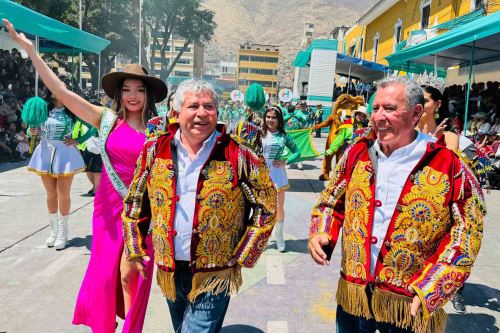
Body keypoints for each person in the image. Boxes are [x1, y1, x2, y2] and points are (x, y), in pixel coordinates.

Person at [2, 18, 168, 333]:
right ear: (120, 93)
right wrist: (29, 50)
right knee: (106, 278)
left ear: (149, 95)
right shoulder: (104, 119)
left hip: (142, 213)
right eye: (127, 89)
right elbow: (60, 90)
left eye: (140, 89)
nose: (133, 95)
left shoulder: (159, 131)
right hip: (106, 211)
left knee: (129, 275)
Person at [308, 76, 485, 333]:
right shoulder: (357, 153)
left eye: (390, 109)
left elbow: (468, 232)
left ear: (415, 113)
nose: (378, 117)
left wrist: (435, 286)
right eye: (375, 108)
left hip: (411, 303)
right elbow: (329, 203)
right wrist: (321, 232)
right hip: (355, 295)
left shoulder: (449, 165)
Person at [122, 79, 277, 333]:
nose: (202, 113)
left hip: (215, 273)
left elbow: (266, 206)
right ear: (176, 112)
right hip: (170, 269)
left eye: (209, 106)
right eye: (193, 106)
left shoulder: (238, 152)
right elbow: (135, 202)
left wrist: (242, 255)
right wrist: (134, 247)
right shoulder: (155, 148)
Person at [26, 89, 85, 250]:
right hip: (45, 151)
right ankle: (53, 231)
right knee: (51, 194)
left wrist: (78, 139)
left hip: (65, 153)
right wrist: (31, 132)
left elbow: (93, 125)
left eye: (63, 86)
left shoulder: (73, 110)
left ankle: (63, 234)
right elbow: (32, 129)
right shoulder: (44, 109)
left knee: (63, 194)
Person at [262, 106, 301, 252]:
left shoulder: (284, 136)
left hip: (277, 175)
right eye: (268, 117)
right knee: (263, 208)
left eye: (273, 117)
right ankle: (263, 237)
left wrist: (286, 161)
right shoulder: (260, 133)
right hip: (261, 175)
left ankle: (278, 236)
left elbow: (297, 152)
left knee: (278, 206)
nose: (270, 120)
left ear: (279, 120)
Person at [313, 94, 365, 180]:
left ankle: (339, 177)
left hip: (352, 151)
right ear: (356, 114)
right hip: (341, 146)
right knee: (332, 160)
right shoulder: (346, 124)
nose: (361, 117)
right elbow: (339, 138)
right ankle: (327, 174)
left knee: (342, 165)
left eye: (363, 116)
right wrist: (331, 149)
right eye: (359, 115)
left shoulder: (361, 127)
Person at [417, 85, 459, 150]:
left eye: (425, 101)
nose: (419, 105)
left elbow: (447, 159)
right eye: (416, 100)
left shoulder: (449, 137)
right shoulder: (406, 132)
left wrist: (434, 142)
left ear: (437, 104)